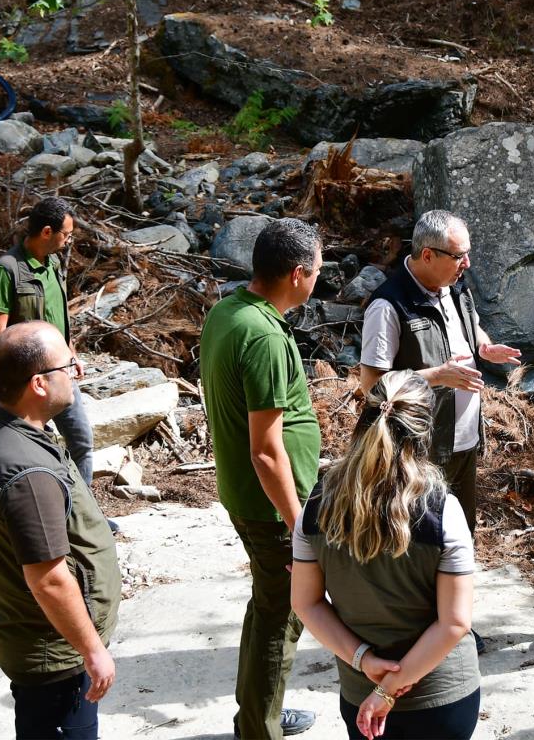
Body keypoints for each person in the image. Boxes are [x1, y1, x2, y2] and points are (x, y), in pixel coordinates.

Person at [360, 210, 521, 653]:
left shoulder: (450, 285)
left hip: (463, 439)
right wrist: (437, 376)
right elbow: (372, 384)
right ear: (427, 254)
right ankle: (419, 632)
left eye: (468, 254)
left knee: (459, 534)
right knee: (418, 539)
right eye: (459, 256)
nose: (467, 264)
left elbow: (462, 325)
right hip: (418, 448)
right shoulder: (387, 305)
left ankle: (453, 625)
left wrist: (484, 346)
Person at [291, 370, 480, 740]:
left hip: (358, 690)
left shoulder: (314, 507)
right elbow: (454, 623)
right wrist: (388, 690)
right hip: (440, 697)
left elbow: (306, 604)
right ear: (427, 430)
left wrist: (365, 662)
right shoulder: (443, 510)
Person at [0, 321, 120, 740]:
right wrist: (92, 651)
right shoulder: (26, 470)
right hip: (53, 656)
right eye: (69, 366)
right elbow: (49, 579)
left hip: (34, 640)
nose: (78, 372)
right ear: (38, 384)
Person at [200, 218, 323, 739]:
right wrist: (300, 528)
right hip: (273, 507)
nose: (320, 277)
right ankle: (260, 729)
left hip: (248, 497)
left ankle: (256, 714)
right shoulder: (263, 336)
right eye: (317, 269)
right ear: (297, 274)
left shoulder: (229, 311)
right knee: (283, 618)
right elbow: (267, 452)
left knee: (268, 604)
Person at [0, 196, 95, 490]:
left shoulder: (54, 263)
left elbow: (58, 313)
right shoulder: (6, 270)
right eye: (66, 234)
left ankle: (84, 516)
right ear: (47, 232)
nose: (69, 240)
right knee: (31, 448)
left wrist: (71, 353)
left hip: (61, 371)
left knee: (81, 440)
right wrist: (14, 379)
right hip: (29, 382)